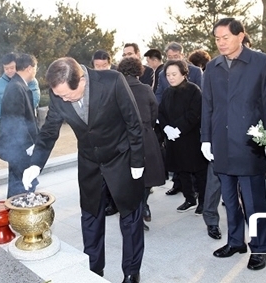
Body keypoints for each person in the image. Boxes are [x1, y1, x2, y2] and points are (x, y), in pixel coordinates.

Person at [22, 57, 145, 283]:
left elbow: (133, 122)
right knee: (90, 216)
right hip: (89, 161)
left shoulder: (112, 81)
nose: (63, 100)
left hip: (120, 158)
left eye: (67, 95)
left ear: (82, 81)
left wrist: (138, 161)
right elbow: (50, 131)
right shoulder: (59, 94)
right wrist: (35, 164)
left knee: (130, 216)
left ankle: (131, 271)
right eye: (59, 96)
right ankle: (94, 269)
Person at [201, 18, 266, 271]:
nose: (221, 43)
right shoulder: (212, 67)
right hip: (221, 142)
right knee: (230, 199)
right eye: (217, 39)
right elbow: (207, 105)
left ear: (241, 36)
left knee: (254, 201)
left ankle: (261, 246)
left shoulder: (262, 62)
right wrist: (206, 138)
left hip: (250, 143)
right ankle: (235, 241)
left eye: (226, 38)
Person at [118, 57, 165, 231]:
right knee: (148, 176)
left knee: (130, 179)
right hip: (146, 135)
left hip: (125, 138)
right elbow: (154, 111)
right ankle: (143, 204)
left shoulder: (117, 89)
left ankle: (136, 213)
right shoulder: (145, 89)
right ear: (139, 71)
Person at [155, 42, 204, 197]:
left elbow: (194, 113)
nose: (170, 78)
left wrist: (178, 128)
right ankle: (189, 198)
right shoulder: (168, 92)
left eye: (174, 74)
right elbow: (161, 111)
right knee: (180, 170)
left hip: (190, 136)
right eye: (168, 75)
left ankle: (202, 202)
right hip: (173, 138)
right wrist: (166, 128)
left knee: (197, 171)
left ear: (183, 74)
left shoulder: (193, 90)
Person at [0, 54, 39, 198]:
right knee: (21, 186)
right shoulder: (16, 87)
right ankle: (21, 217)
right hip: (19, 148)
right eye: (35, 69)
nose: (35, 72)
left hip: (19, 147)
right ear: (29, 68)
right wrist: (29, 144)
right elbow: (16, 119)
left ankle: (20, 214)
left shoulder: (18, 85)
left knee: (22, 183)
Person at [91, 50, 119, 217]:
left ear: (110, 64)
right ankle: (106, 201)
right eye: (97, 66)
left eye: (104, 65)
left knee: (113, 174)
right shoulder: (87, 81)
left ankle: (114, 203)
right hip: (96, 135)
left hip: (113, 134)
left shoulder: (116, 79)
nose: (101, 69)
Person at [0, 53, 40, 121]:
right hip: (6, 120)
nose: (9, 71)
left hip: (27, 119)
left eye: (12, 68)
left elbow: (34, 98)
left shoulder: (30, 79)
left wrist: (19, 115)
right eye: (6, 68)